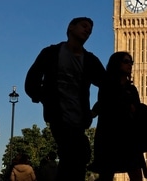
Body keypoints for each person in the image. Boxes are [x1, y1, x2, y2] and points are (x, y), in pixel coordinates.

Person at [25, 17, 105, 181]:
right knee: (74, 155)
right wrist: (44, 98)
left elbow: (108, 85)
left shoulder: (90, 60)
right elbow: (31, 81)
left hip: (80, 119)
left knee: (78, 157)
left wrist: (95, 110)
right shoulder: (51, 53)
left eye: (90, 29)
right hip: (59, 118)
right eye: (84, 26)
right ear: (71, 27)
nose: (87, 30)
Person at [89, 52, 147, 181]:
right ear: (116, 64)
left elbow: (137, 111)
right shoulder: (106, 85)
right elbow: (103, 105)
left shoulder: (132, 89)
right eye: (126, 61)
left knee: (136, 174)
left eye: (131, 62)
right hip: (110, 137)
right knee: (106, 175)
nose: (130, 64)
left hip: (129, 138)